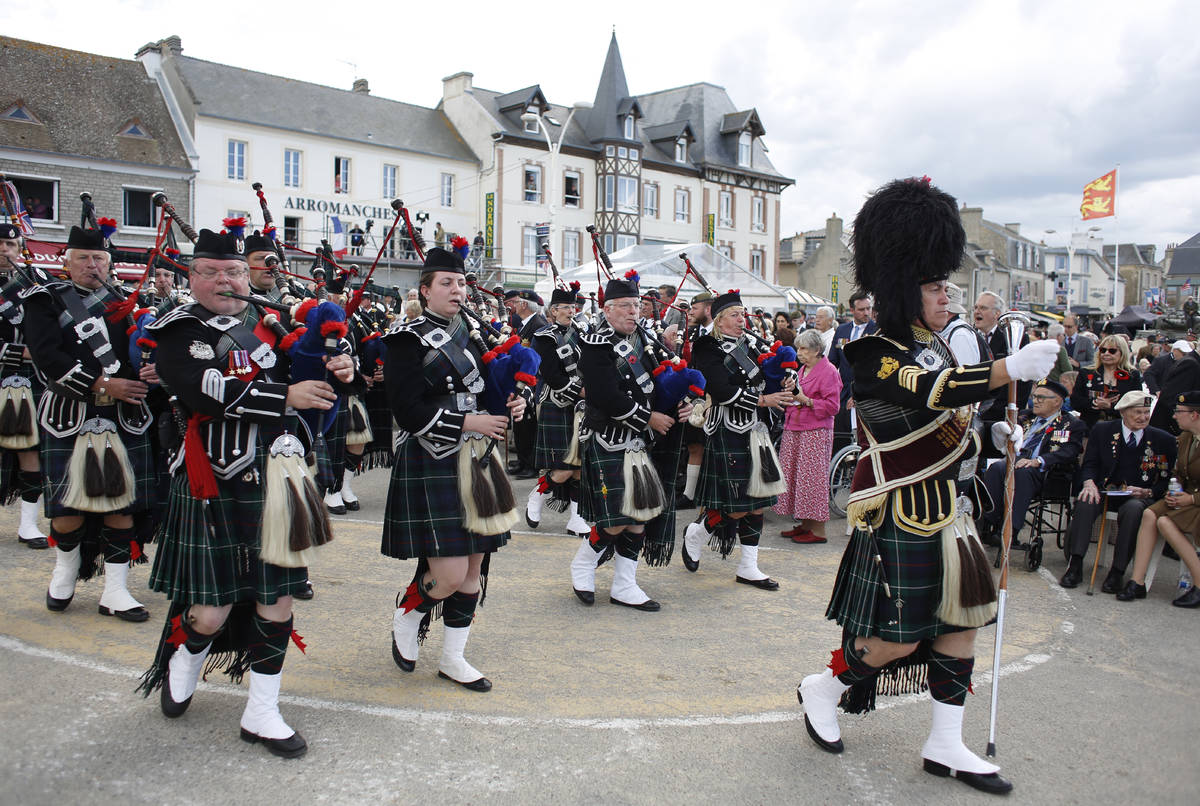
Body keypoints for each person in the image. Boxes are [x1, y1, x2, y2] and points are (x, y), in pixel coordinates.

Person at [794, 177, 1059, 796]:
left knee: (960, 624)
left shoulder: (936, 342)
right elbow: (928, 391)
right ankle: (825, 686)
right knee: (894, 637)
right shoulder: (873, 352)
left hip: (949, 508)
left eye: (947, 285)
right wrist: (1003, 370)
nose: (948, 295)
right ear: (904, 285)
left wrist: (995, 438)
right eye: (938, 286)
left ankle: (946, 741)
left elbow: (951, 411)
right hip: (899, 508)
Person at [137, 228, 350, 757]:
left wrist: (341, 370)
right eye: (210, 272)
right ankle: (185, 654)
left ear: (245, 274)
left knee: (274, 598)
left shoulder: (272, 322)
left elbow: (314, 383)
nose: (223, 281)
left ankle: (262, 712)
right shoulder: (176, 327)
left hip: (277, 475)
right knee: (211, 611)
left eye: (232, 272)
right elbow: (201, 387)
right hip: (211, 473)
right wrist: (284, 395)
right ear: (192, 277)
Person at [383, 247, 526, 693]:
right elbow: (406, 410)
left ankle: (453, 657)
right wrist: (468, 421)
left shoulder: (475, 333)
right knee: (446, 574)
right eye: (446, 283)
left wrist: (515, 403)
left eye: (461, 283)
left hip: (478, 457)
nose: (457, 290)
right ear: (425, 290)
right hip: (434, 453)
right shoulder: (407, 338)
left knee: (473, 568)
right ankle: (409, 612)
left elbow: (489, 388)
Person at [22, 226, 158, 621]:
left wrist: (149, 371)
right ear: (66, 261)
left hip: (123, 416)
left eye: (99, 258)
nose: (92, 265)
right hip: (69, 413)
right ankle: (65, 571)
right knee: (67, 506)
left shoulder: (130, 302)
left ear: (110, 263)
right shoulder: (44, 300)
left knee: (122, 504)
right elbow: (47, 357)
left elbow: (142, 350)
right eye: (83, 258)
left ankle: (115, 590)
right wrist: (102, 383)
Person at [569, 271, 691, 611]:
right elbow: (604, 395)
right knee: (615, 520)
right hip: (609, 439)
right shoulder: (595, 344)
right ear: (606, 309)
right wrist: (648, 417)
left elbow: (663, 378)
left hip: (640, 443)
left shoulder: (648, 341)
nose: (632, 312)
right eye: (624, 306)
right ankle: (583, 562)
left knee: (640, 516)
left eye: (636, 305)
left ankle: (625, 584)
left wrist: (681, 404)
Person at [678, 290, 792, 589]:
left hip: (756, 431)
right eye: (735, 315)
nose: (742, 319)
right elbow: (722, 388)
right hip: (728, 429)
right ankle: (698, 533)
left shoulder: (752, 344)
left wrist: (785, 378)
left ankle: (748, 567)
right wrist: (764, 399)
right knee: (737, 506)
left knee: (757, 504)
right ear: (719, 320)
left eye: (743, 314)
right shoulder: (707, 346)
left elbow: (766, 375)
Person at [1059, 391, 1175, 590]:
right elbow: (1090, 464)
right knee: (1086, 501)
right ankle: (1075, 565)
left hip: (1138, 495)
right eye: (1137, 412)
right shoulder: (1103, 430)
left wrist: (1147, 493)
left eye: (1146, 412)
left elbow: (1165, 481)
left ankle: (1117, 571)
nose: (1143, 417)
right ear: (1123, 412)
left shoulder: (1162, 439)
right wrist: (1089, 483)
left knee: (1133, 510)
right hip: (1104, 490)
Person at [975, 379, 1086, 548]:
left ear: (1057, 401)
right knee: (996, 468)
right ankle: (987, 524)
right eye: (1035, 396)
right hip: (1015, 463)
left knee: (1022, 472)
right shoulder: (1024, 417)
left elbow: (1069, 452)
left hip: (1045, 473)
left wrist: (1038, 461)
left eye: (1042, 397)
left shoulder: (1071, 424)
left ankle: (1011, 531)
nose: (1036, 400)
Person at [1117, 390, 1200, 606]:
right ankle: (1137, 582)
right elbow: (1180, 473)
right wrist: (1175, 492)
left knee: (1164, 521)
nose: (1174, 416)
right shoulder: (1186, 438)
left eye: (1179, 412)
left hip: (1195, 502)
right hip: (1186, 498)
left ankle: (1199, 584)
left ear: (1195, 415)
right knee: (1150, 514)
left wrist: (1190, 500)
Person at [0, 222, 50, 549]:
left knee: (29, 449)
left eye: (10, 245)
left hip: (29, 379)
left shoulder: (34, 283)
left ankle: (29, 525)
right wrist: (22, 351)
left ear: (21, 250)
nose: (4, 250)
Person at [525, 285, 589, 537]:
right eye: (567, 308)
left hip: (582, 407)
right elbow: (550, 375)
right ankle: (538, 494)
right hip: (557, 402)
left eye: (574, 308)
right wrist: (581, 391)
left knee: (580, 466)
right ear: (553, 310)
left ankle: (576, 518)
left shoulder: (583, 332)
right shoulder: (544, 337)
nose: (572, 312)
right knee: (564, 466)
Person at [774, 327, 841, 543]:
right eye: (798, 348)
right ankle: (805, 524)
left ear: (816, 350)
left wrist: (806, 400)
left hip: (815, 431)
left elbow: (833, 406)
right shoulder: (802, 370)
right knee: (797, 477)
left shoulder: (829, 371)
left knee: (812, 479)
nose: (799, 353)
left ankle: (819, 530)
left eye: (803, 349)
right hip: (795, 427)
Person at [829, 292, 877, 451]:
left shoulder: (877, 330)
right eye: (862, 309)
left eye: (868, 308)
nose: (866, 313)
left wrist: (859, 394)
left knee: (861, 440)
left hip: (865, 393)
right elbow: (832, 361)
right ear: (852, 310)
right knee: (840, 437)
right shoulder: (843, 329)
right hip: (842, 393)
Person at [678, 291, 714, 508]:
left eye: (696, 307)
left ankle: (711, 495)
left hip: (711, 398)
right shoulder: (691, 333)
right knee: (693, 446)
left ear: (708, 309)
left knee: (712, 448)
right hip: (692, 399)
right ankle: (690, 495)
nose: (691, 311)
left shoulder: (718, 334)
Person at [1070, 335, 1142, 430]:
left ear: (1122, 353)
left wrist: (1111, 406)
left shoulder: (1132, 375)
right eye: (1103, 350)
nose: (1106, 353)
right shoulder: (1086, 373)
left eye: (1112, 351)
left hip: (1121, 428)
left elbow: (1137, 405)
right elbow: (1075, 401)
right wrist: (1095, 403)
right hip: (1091, 428)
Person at [1150, 340, 1200, 434]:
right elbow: (1173, 399)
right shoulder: (1191, 364)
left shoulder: (1190, 361)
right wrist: (1180, 431)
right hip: (1171, 429)